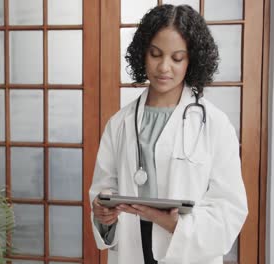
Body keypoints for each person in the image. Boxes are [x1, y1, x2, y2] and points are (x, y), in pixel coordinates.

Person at [89, 4, 247, 264]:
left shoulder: (215, 125)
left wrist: (175, 224)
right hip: (133, 249)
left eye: (177, 58)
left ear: (192, 60)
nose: (164, 67)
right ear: (143, 54)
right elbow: (103, 188)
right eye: (155, 54)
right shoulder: (119, 124)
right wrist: (102, 214)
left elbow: (230, 209)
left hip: (186, 251)